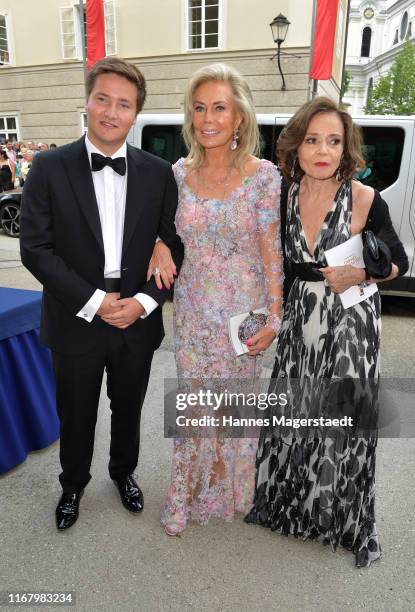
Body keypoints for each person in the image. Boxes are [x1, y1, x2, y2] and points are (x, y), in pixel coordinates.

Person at [20, 57, 184, 531]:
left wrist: (142, 304)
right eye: (103, 99)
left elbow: (174, 245)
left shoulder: (158, 173)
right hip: (76, 314)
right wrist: (94, 302)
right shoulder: (48, 167)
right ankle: (72, 484)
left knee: (128, 405)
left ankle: (123, 472)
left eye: (124, 104)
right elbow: (35, 249)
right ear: (87, 103)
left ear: (136, 114)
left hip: (137, 314)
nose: (112, 112)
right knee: (75, 410)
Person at [245, 97, 408, 567]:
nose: (322, 150)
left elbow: (401, 261)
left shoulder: (363, 199)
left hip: (350, 325)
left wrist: (360, 275)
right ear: (295, 146)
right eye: (312, 140)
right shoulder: (283, 196)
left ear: (346, 148)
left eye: (333, 141)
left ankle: (340, 517)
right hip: (301, 320)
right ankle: (292, 504)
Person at [149, 63, 283, 535]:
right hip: (192, 314)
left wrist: (275, 317)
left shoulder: (265, 176)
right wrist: (160, 243)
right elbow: (162, 228)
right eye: (200, 107)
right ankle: (184, 489)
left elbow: (272, 253)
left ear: (239, 117)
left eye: (219, 108)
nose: (208, 118)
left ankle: (227, 481)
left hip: (243, 317)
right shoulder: (178, 173)